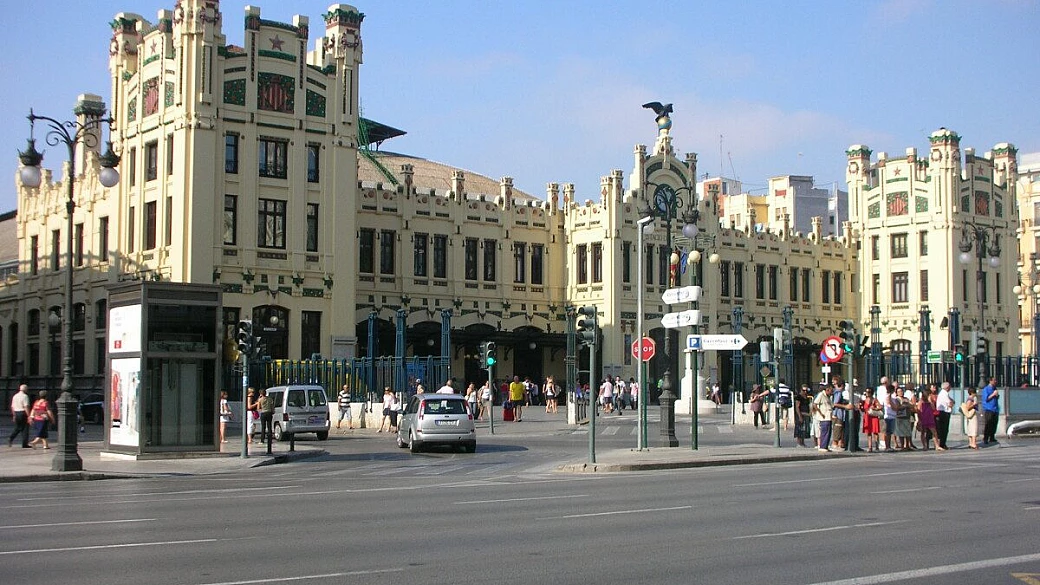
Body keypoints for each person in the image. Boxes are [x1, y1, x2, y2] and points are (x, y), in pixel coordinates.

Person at [811, 383, 834, 452]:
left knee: (828, 432)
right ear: (827, 389)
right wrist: (820, 413)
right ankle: (822, 446)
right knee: (824, 432)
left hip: (829, 416)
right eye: (831, 390)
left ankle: (825, 446)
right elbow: (815, 404)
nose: (832, 392)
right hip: (824, 417)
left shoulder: (828, 396)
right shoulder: (821, 395)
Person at [8, 384, 32, 448]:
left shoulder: (15, 396)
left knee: (17, 428)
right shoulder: (25, 396)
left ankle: (11, 438)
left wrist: (14, 415)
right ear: (25, 389)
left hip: (16, 413)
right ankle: (24, 444)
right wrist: (29, 416)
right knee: (25, 429)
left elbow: (12, 406)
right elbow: (26, 406)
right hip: (23, 413)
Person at [934, 381, 954, 450]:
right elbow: (950, 403)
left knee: (942, 429)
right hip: (944, 412)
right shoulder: (944, 394)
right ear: (947, 387)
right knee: (944, 429)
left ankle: (942, 443)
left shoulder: (942, 393)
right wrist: (952, 404)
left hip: (942, 412)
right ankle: (942, 444)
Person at [917, 385, 938, 450]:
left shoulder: (930, 402)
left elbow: (933, 408)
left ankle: (937, 445)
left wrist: (930, 401)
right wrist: (919, 420)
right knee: (923, 432)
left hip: (930, 418)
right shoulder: (921, 402)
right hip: (923, 418)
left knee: (934, 432)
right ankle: (924, 446)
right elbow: (918, 411)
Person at [860, 387, 882, 452]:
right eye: (866, 392)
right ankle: (870, 447)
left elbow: (880, 407)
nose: (867, 393)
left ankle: (877, 446)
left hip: (873, 416)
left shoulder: (874, 400)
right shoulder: (864, 400)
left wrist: (874, 408)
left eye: (869, 392)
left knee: (875, 432)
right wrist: (860, 407)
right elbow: (863, 409)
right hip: (867, 416)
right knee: (868, 432)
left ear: (871, 393)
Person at [980, 377, 1000, 446]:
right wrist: (993, 394)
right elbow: (986, 399)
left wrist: (997, 395)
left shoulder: (994, 388)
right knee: (988, 423)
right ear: (990, 381)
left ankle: (992, 437)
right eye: (994, 380)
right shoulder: (986, 389)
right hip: (989, 408)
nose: (995, 381)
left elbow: (996, 397)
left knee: (994, 423)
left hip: (995, 408)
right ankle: (986, 438)